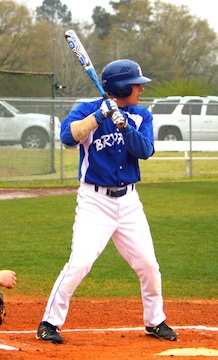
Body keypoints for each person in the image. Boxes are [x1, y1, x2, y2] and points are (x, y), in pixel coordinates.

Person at [36, 59, 177, 344]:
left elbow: (145, 150)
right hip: (94, 201)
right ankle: (49, 323)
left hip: (129, 202)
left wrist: (124, 126)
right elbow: (67, 137)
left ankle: (155, 320)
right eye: (136, 84)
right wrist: (99, 117)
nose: (140, 88)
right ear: (121, 86)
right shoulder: (88, 110)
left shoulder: (140, 115)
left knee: (148, 265)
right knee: (80, 263)